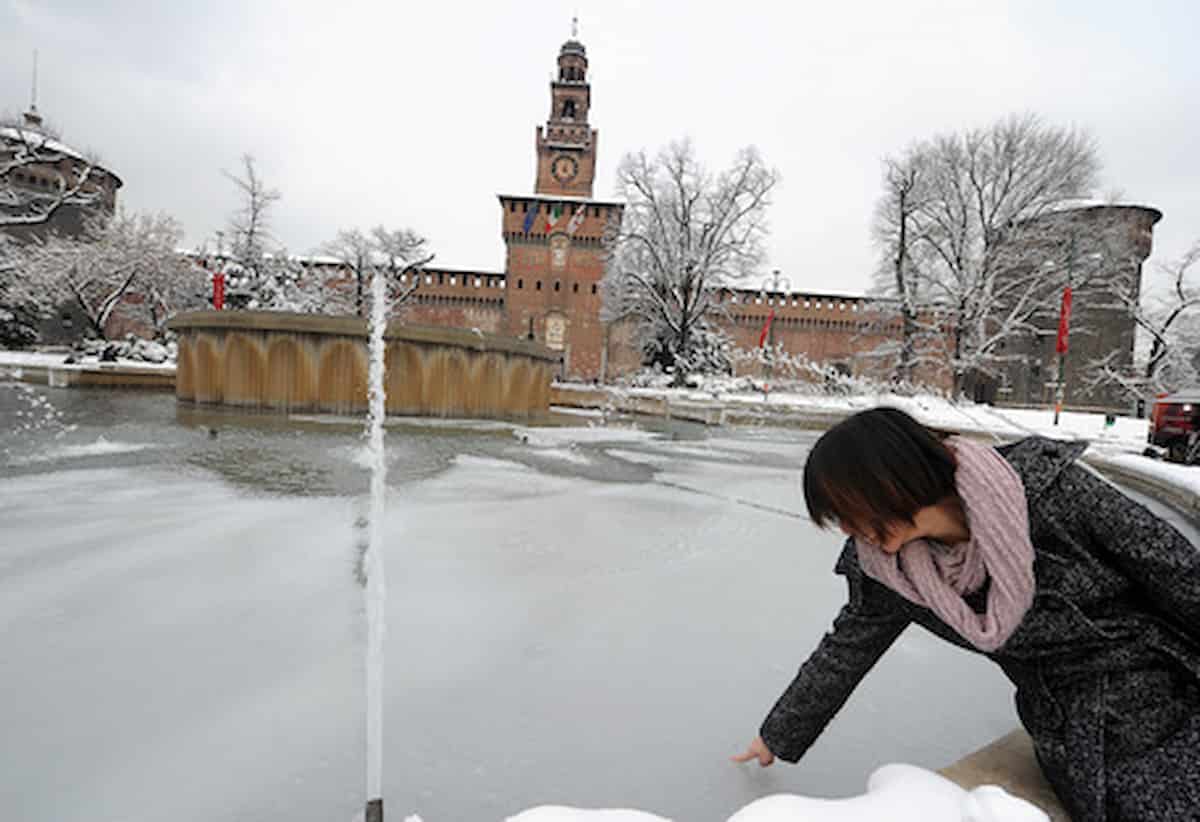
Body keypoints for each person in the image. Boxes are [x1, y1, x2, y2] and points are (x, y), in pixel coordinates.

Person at [732, 407, 1200, 822]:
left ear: (890, 480)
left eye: (850, 511)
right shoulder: (890, 569)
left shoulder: (1048, 493)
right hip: (1072, 720)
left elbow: (1176, 570)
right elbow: (845, 649)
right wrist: (777, 735)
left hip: (1167, 678)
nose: (851, 531)